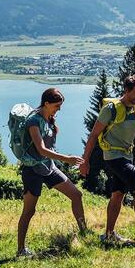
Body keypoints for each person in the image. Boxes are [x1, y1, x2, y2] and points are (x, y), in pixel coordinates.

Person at [80, 74, 135, 245]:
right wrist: (85, 161)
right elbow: (93, 135)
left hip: (127, 156)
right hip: (113, 157)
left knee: (118, 194)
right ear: (126, 90)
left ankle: (109, 234)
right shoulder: (110, 110)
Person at [16, 88, 87, 257]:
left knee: (76, 195)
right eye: (56, 106)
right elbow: (41, 149)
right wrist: (66, 159)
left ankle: (85, 233)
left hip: (49, 168)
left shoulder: (48, 118)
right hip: (32, 170)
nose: (59, 109)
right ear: (46, 103)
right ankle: (21, 249)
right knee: (29, 211)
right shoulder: (34, 121)